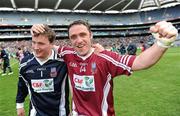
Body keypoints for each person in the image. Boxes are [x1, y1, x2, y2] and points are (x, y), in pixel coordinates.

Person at [31, 20, 178, 116]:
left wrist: (162, 43)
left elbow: (140, 62)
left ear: (91, 36)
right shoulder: (67, 53)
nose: (79, 40)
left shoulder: (105, 58)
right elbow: (46, 44)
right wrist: (36, 30)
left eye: (83, 35)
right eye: (73, 37)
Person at [16, 25, 70, 116]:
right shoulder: (25, 63)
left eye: (41, 43)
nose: (36, 47)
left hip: (60, 113)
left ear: (52, 44)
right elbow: (22, 85)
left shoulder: (63, 61)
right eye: (33, 42)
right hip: (35, 114)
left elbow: (83, 54)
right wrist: (19, 105)